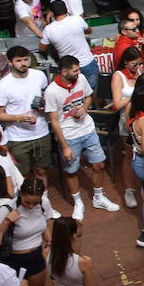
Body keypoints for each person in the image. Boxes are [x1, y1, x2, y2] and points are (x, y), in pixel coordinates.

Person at [45, 56, 119, 220]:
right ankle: (78, 202)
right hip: (69, 136)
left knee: (98, 164)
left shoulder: (81, 79)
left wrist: (85, 108)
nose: (79, 73)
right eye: (75, 70)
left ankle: (98, 197)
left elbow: (88, 97)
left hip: (87, 129)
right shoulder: (51, 91)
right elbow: (55, 121)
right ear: (64, 71)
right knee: (71, 171)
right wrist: (64, 146)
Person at [0, 46, 51, 184]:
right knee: (22, 175)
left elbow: (46, 96)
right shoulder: (3, 85)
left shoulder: (39, 76)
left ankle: (44, 203)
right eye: (19, 60)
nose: (23, 63)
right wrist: (20, 117)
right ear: (10, 63)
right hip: (17, 137)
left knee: (41, 171)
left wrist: (44, 104)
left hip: (41, 132)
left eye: (26, 59)